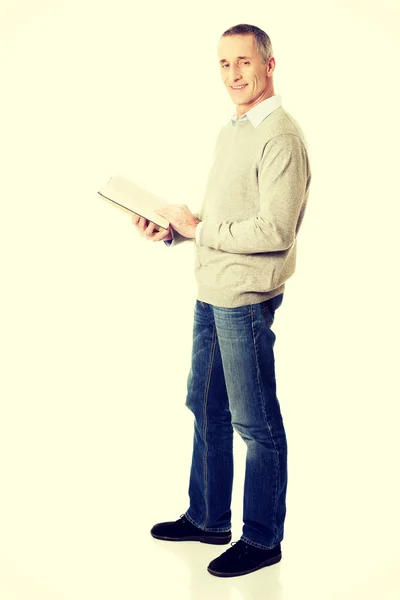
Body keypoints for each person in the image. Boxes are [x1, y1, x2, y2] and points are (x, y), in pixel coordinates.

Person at [133, 23, 312, 578]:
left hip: (245, 298)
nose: (233, 74)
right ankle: (209, 518)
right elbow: (222, 219)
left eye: (244, 62)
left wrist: (198, 231)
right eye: (224, 64)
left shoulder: (280, 135)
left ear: (269, 65)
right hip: (210, 291)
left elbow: (275, 230)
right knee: (205, 406)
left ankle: (262, 541)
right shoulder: (232, 130)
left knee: (255, 424)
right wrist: (174, 229)